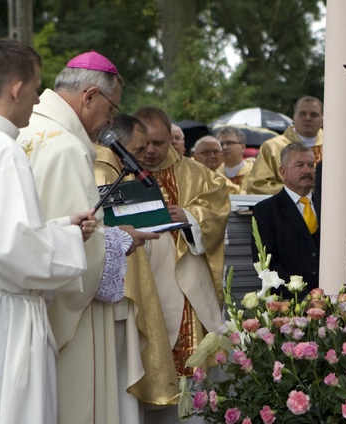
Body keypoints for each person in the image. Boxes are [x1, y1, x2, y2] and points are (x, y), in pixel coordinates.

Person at [0, 38, 96, 424]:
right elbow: (5, 247)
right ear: (16, 89)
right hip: (4, 317)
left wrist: (61, 228)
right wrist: (65, 247)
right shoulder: (2, 149)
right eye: (35, 87)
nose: (37, 99)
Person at [18, 51, 158, 424]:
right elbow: (79, 246)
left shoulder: (23, 130)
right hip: (70, 311)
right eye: (112, 110)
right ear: (90, 96)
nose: (110, 121)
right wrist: (119, 241)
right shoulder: (64, 147)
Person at [133, 106, 229, 423]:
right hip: (138, 287)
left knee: (190, 379)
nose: (149, 151)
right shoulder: (122, 172)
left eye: (158, 143)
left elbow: (217, 210)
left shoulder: (197, 175)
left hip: (183, 290)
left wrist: (188, 216)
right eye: (142, 144)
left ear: (171, 140)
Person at [94, 113, 181, 418]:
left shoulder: (119, 170)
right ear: (117, 144)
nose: (145, 156)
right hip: (112, 300)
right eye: (139, 149)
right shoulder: (102, 171)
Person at [251, 142, 321, 298]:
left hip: (328, 300)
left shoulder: (328, 207)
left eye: (311, 165)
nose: (307, 170)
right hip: (287, 302)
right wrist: (301, 297)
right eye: (299, 165)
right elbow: (266, 262)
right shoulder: (266, 210)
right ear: (283, 171)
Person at [247, 96, 323, 194]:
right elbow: (257, 185)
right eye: (302, 114)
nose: (308, 118)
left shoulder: (334, 147)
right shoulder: (271, 147)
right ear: (294, 118)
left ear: (322, 119)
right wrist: (298, 191)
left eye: (314, 114)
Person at [217, 125, 254, 194]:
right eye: (221, 144)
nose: (224, 147)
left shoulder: (254, 172)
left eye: (229, 143)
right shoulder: (215, 173)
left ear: (242, 147)